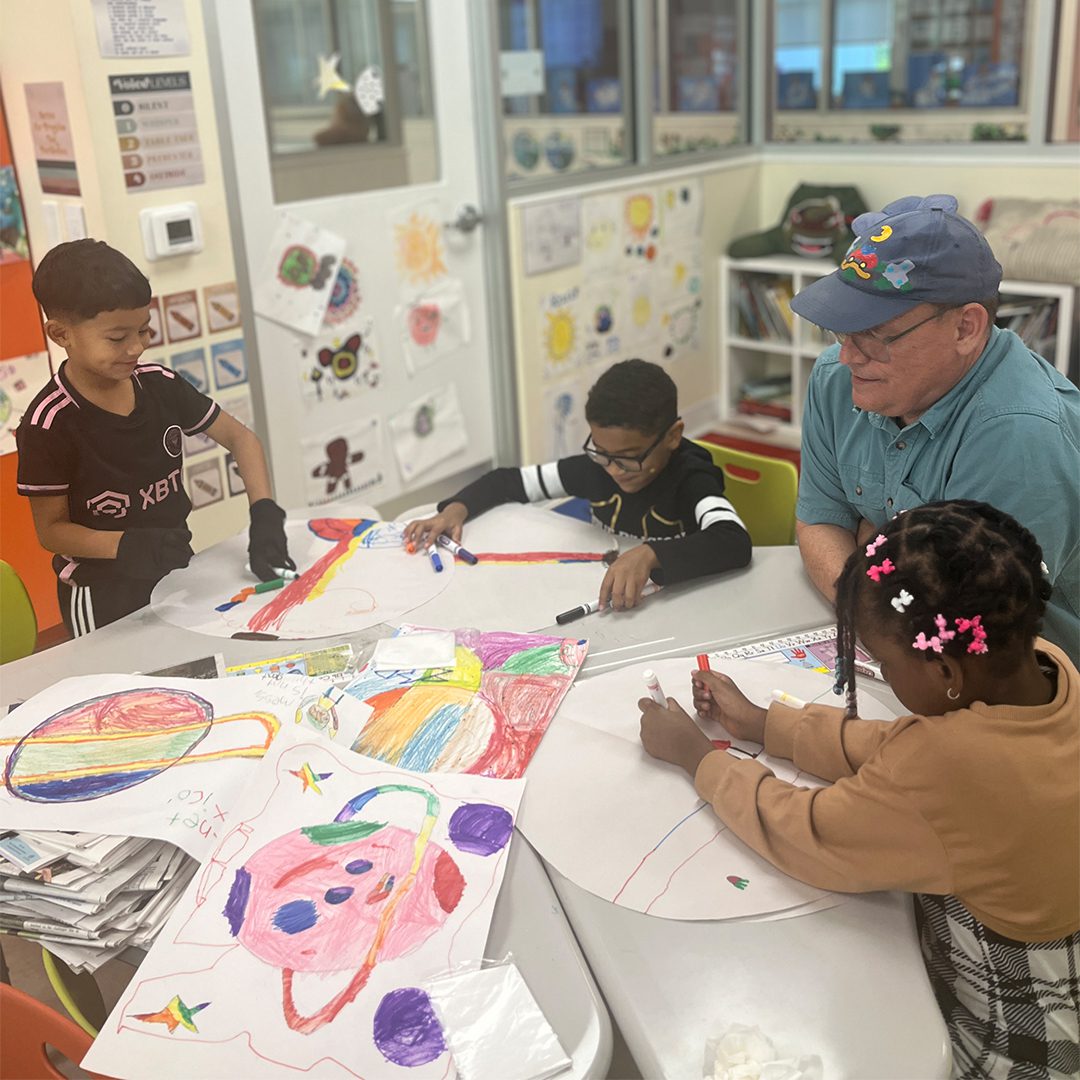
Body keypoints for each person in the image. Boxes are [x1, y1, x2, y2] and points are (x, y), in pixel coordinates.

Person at [638, 500, 1079, 1078]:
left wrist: (696, 757)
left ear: (946, 673)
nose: (884, 680)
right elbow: (902, 745)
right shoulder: (1046, 671)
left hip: (1017, 1036)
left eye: (886, 666)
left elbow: (811, 834)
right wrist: (764, 724)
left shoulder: (948, 767)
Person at [788, 193, 1079, 662]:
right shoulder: (836, 379)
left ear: (966, 328)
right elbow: (820, 521)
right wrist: (879, 575)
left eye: (875, 335)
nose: (847, 356)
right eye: (841, 330)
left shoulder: (1021, 434)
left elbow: (959, 628)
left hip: (1027, 682)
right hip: (908, 659)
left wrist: (868, 540)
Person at [16, 239, 294, 636]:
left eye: (144, 330)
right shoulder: (50, 424)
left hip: (175, 570)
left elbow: (240, 438)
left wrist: (264, 512)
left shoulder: (159, 385)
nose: (136, 348)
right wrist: (125, 546)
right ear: (61, 334)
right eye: (116, 338)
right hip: (101, 593)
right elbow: (52, 531)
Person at [404, 359, 752, 610]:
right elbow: (508, 481)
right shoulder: (595, 468)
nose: (614, 470)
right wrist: (455, 509)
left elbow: (734, 542)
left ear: (673, 436)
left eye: (629, 457)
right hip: (608, 605)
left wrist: (650, 554)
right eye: (601, 452)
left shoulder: (690, 477)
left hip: (683, 609)